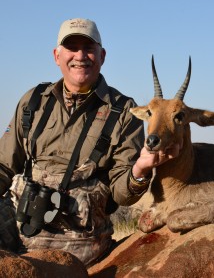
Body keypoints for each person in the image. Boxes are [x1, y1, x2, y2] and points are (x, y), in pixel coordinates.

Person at [0, 18, 179, 267]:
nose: (80, 56)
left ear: (102, 55)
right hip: (17, 224)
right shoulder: (33, 101)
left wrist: (140, 170)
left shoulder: (124, 110)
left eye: (89, 48)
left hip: (80, 240)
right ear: (57, 55)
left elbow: (122, 194)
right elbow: (4, 166)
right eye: (72, 47)